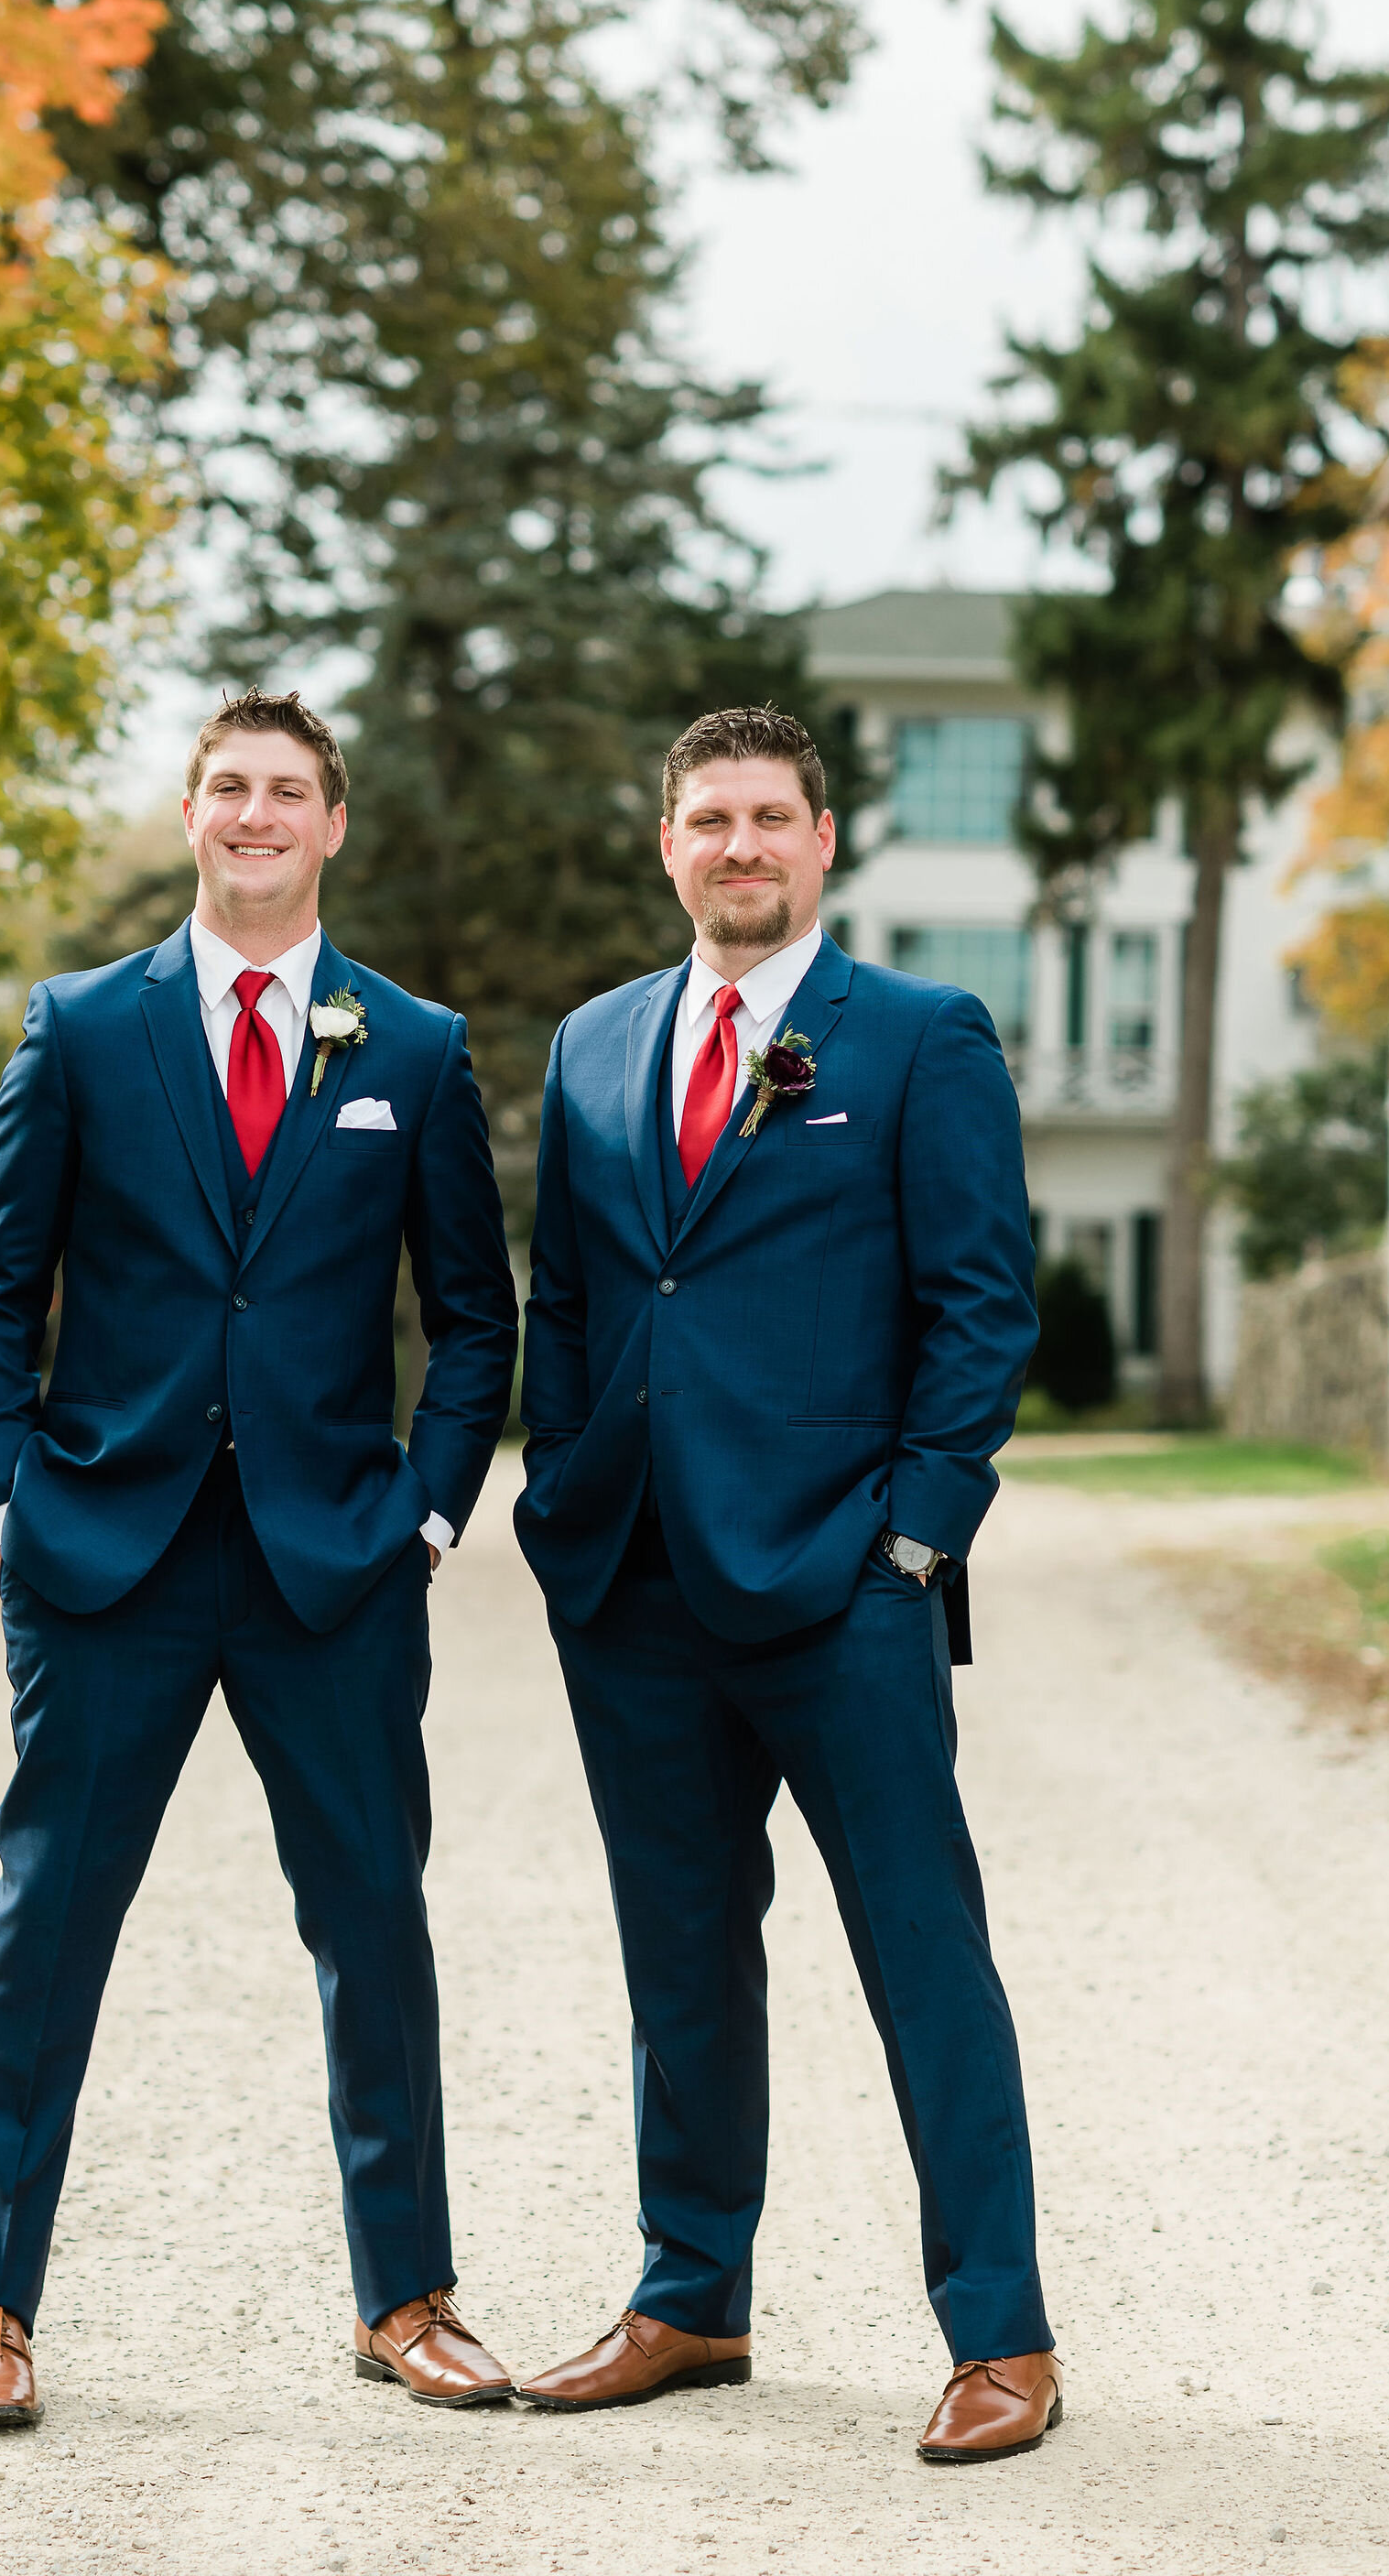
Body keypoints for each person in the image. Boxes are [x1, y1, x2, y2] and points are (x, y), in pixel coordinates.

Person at [0, 688, 521, 2428]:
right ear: (192, 816)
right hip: (104, 1556)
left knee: (373, 1929)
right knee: (49, 1927)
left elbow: (475, 1318)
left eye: (290, 791)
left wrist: (423, 1514)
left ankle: (406, 2298)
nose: (259, 813)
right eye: (230, 788)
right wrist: (2, 1502)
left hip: (329, 1566)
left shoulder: (408, 1047)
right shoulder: (81, 1027)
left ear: (333, 825)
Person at [511, 705, 1060, 2461]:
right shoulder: (595, 1045)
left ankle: (1003, 2339)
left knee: (924, 1956)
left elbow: (984, 1304)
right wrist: (560, 1509)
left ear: (824, 841)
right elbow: (578, 1299)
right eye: (707, 820)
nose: (738, 848)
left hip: (845, 1588)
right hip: (637, 1588)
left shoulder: (915, 1037)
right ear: (664, 843)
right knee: (679, 1962)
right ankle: (692, 2299)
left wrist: (916, 1535)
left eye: (769, 818)